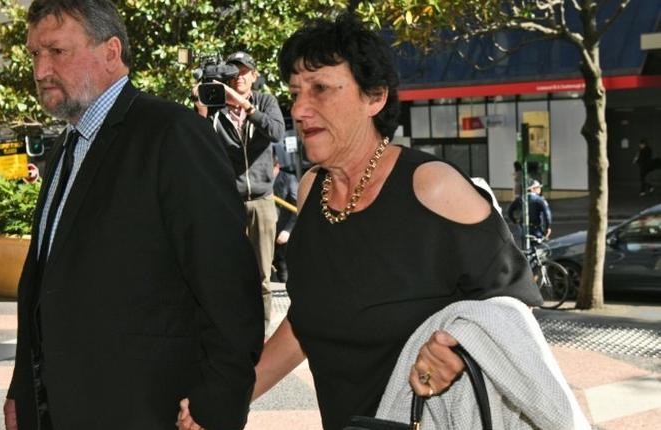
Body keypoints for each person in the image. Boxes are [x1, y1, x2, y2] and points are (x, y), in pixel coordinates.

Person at [180, 13, 542, 430]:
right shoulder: (311, 190)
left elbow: (518, 308)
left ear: (375, 98)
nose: (299, 108)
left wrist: (460, 352)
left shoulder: (432, 187)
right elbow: (307, 320)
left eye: (320, 89)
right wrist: (229, 398)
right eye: (295, 92)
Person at [5, 1, 263, 429]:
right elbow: (42, 285)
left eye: (56, 51)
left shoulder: (173, 134)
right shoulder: (64, 149)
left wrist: (217, 403)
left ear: (110, 52)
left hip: (147, 412)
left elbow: (229, 287)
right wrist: (23, 390)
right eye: (34, 53)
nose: (40, 69)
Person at [192, 51, 286, 329]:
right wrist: (201, 110)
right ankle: (230, 330)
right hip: (228, 203)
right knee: (226, 271)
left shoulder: (265, 102)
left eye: (245, 71)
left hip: (261, 201)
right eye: (233, 72)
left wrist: (246, 106)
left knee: (262, 277)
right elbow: (198, 144)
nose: (239, 77)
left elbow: (277, 133)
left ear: (255, 76)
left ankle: (262, 332)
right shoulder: (216, 108)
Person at [271, 157, 298, 283]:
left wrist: (288, 230)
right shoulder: (260, 182)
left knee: (283, 264)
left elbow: (297, 206)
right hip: (267, 232)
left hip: (283, 232)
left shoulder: (288, 179)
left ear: (277, 167)